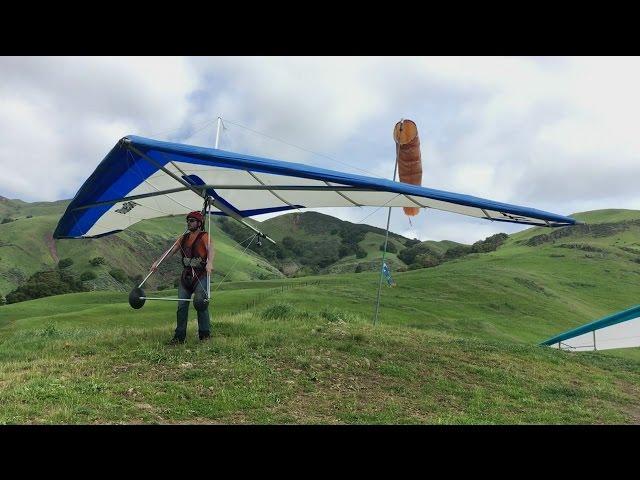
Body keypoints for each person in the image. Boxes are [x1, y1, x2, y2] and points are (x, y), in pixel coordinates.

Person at [151, 211, 214, 344]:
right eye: (188, 221)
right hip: (186, 276)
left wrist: (210, 262)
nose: (189, 223)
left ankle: (205, 335)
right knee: (181, 306)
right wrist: (158, 262)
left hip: (200, 275)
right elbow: (170, 251)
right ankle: (179, 337)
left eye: (192, 220)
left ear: (199, 223)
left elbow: (211, 249)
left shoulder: (204, 236)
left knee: (200, 303)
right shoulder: (183, 238)